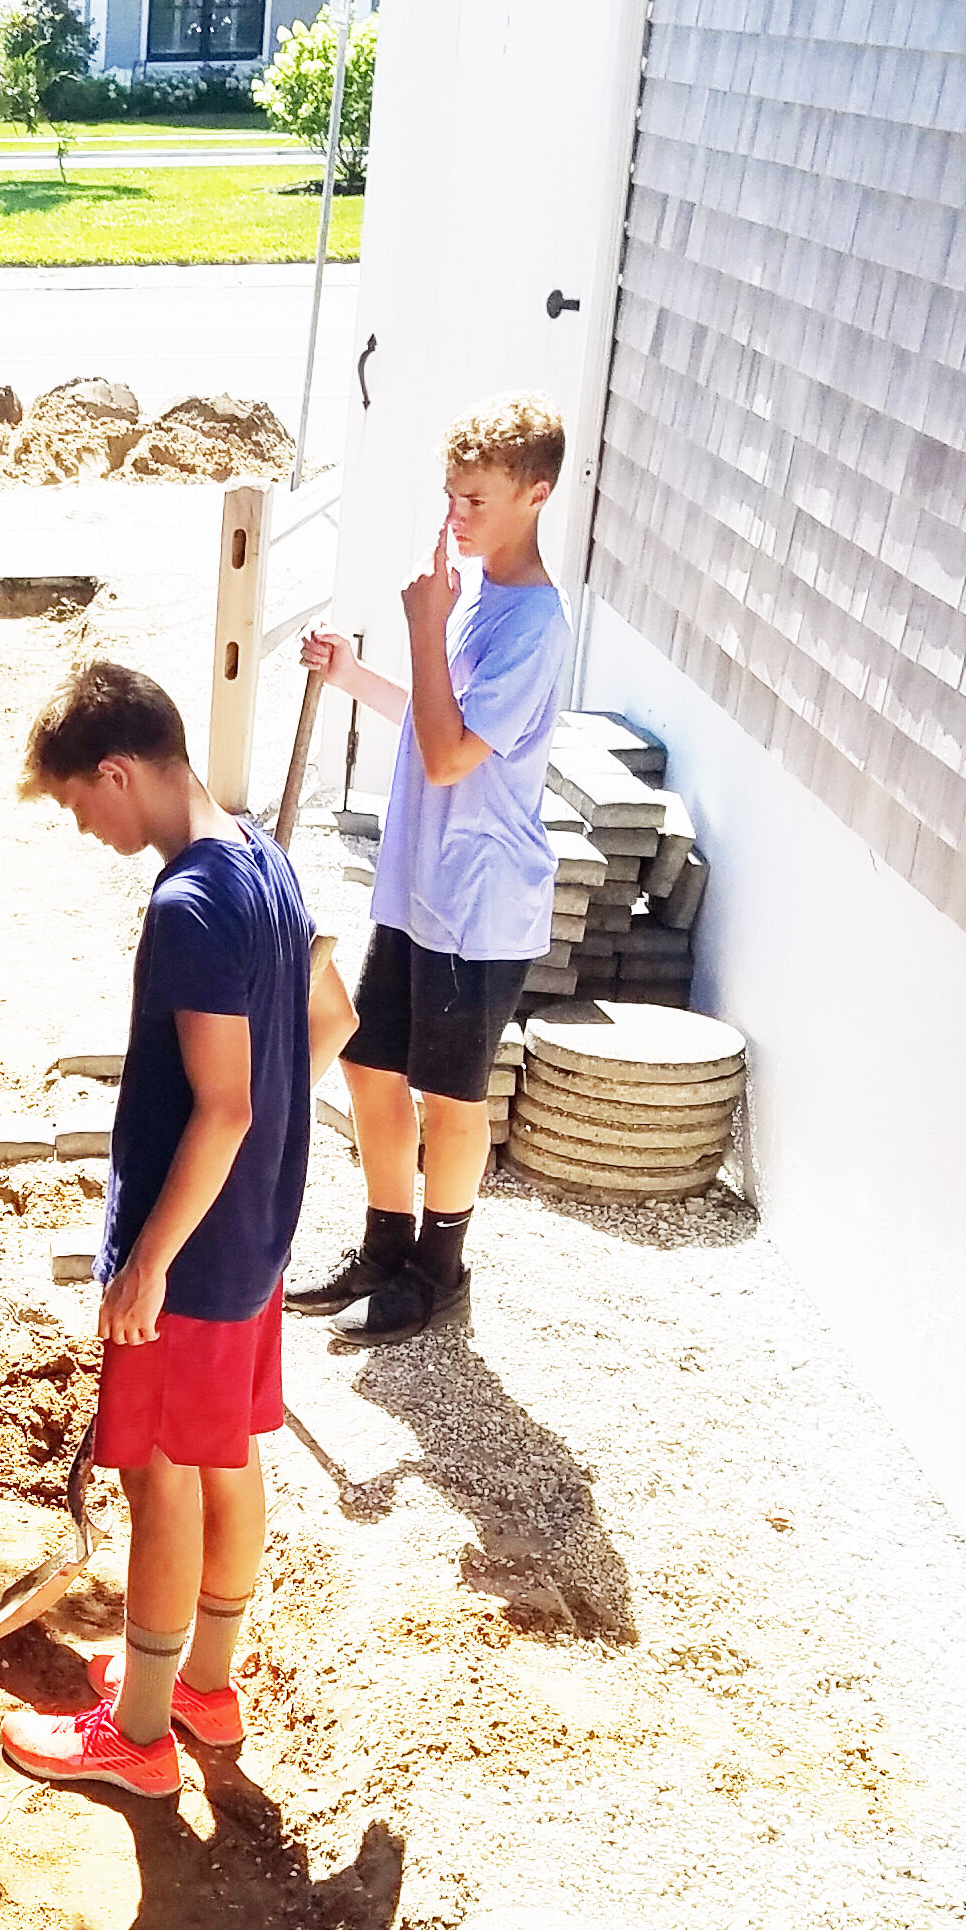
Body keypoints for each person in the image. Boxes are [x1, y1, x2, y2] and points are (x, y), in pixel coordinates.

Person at [2, 659, 353, 1801]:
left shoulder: (190, 904)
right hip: (251, 1234)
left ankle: (140, 1737)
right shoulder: (264, 857)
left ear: (117, 770)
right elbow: (329, 1020)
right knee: (225, 1456)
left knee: (157, 1479)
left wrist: (148, 1259)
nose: (83, 825)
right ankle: (205, 1681)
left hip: (190, 1250)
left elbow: (227, 1102)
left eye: (77, 802)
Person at [289, 398, 571, 1346]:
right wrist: (352, 675)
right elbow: (433, 708)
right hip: (419, 887)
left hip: (478, 902)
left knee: (451, 1095)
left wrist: (422, 618)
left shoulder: (532, 623)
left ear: (536, 495)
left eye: (478, 499)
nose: (457, 516)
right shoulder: (477, 594)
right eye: (451, 496)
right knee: (370, 1065)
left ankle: (440, 1269)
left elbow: (452, 755)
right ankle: (385, 1241)